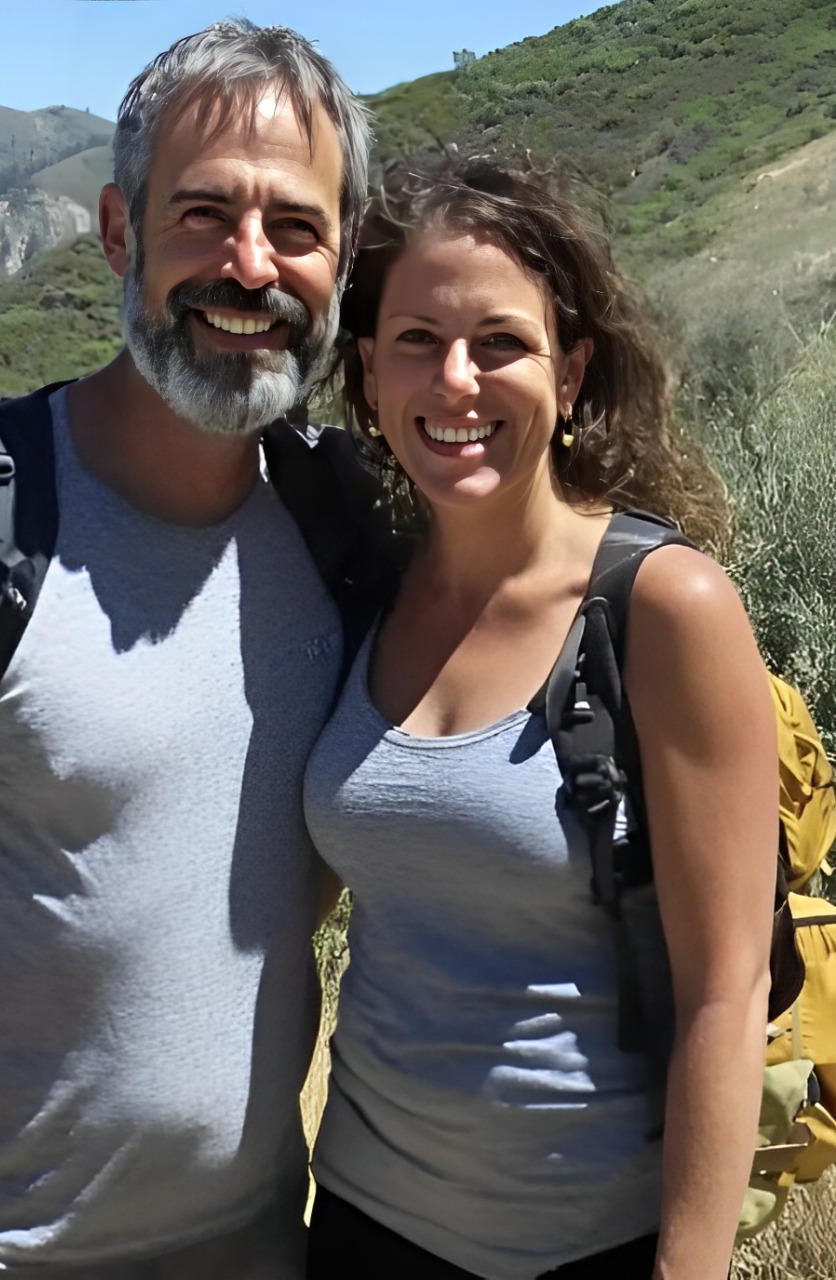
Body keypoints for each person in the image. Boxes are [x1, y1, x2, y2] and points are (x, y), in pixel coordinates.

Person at [0, 20, 371, 1280]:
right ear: (116, 232)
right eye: (202, 214)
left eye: (294, 227)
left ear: (343, 256)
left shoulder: (346, 531)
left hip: (262, 1241)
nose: (249, 265)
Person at [302, 158, 777, 1280]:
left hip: (584, 1245)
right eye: (416, 339)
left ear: (569, 372)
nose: (454, 380)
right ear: (367, 371)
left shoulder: (664, 607)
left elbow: (726, 993)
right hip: (358, 1225)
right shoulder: (364, 587)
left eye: (500, 343)